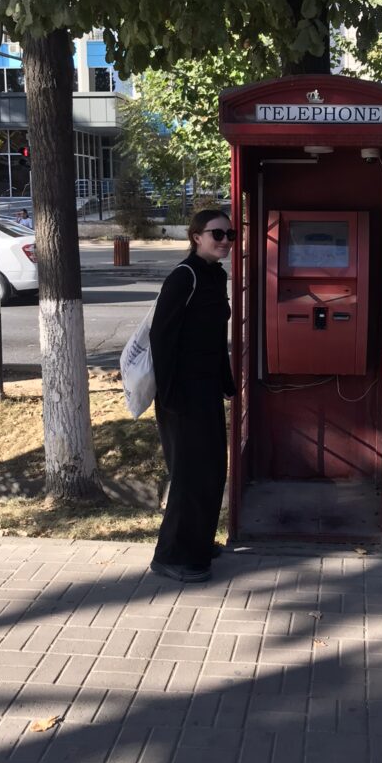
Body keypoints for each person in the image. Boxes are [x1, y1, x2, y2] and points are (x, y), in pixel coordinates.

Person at [149, 209, 236, 583]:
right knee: (188, 474)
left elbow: (216, 340)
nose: (225, 241)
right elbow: (160, 337)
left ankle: (198, 542)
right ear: (196, 236)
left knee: (212, 469)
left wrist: (226, 382)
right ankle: (172, 555)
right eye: (217, 233)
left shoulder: (215, 277)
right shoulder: (183, 277)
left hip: (205, 391)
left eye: (230, 234)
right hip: (181, 394)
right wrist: (169, 396)